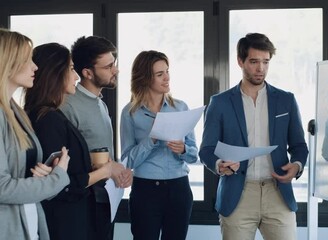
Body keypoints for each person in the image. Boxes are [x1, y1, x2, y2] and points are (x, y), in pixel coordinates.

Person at [199, 33, 309, 240]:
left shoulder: (286, 100)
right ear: (240, 61)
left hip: (277, 192)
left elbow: (299, 145)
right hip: (238, 194)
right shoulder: (220, 103)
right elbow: (206, 150)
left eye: (266, 62)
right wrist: (219, 164)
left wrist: (297, 165)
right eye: (254, 62)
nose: (261, 69)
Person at [24, 42, 113, 240]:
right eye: (72, 69)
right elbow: (62, 185)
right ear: (55, 74)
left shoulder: (49, 114)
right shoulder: (48, 119)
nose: (76, 76)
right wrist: (103, 172)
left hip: (72, 217)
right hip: (66, 221)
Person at [0, 28, 70, 240]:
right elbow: (2, 188)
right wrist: (57, 177)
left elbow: (19, 173)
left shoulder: (15, 111)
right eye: (27, 60)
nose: (35, 66)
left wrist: (46, 171)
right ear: (8, 62)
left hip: (29, 225)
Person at [60, 35, 133, 240]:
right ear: (87, 73)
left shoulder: (100, 102)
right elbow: (64, 160)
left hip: (105, 198)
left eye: (114, 64)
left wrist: (117, 170)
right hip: (83, 203)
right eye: (108, 66)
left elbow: (99, 150)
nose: (116, 70)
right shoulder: (68, 105)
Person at [120, 50, 198, 240]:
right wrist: (152, 139)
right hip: (145, 191)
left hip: (179, 189)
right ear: (145, 78)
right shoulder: (130, 112)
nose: (167, 78)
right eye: (160, 74)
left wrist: (183, 150)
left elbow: (194, 154)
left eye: (167, 71)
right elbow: (128, 161)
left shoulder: (180, 107)